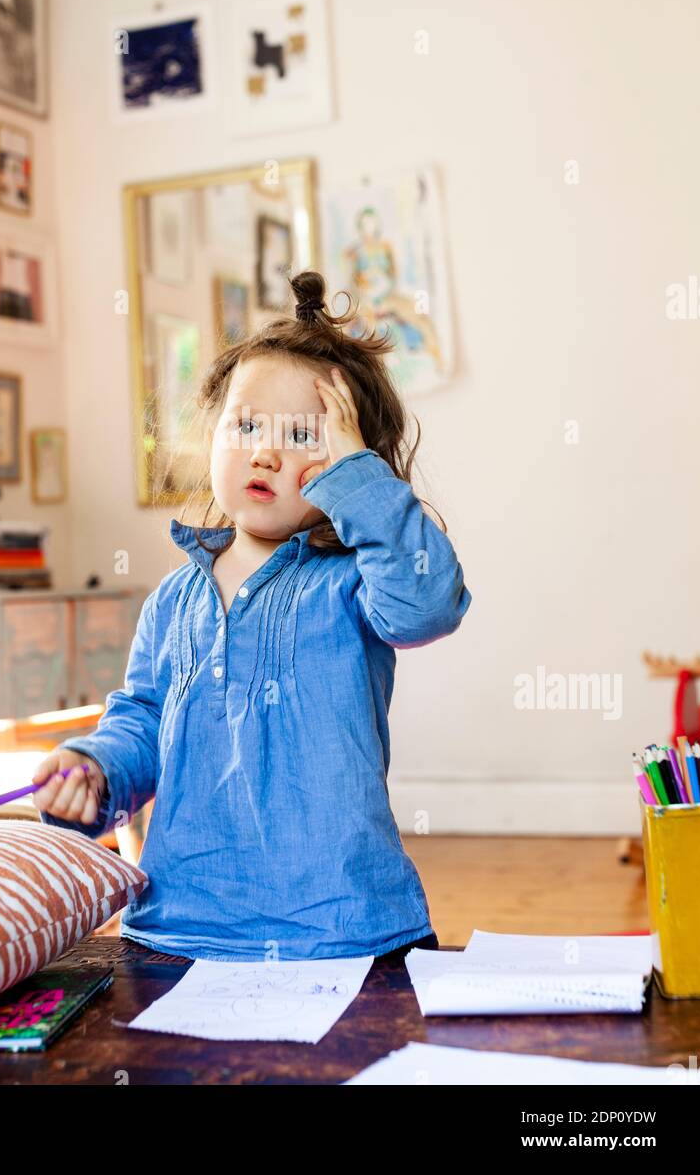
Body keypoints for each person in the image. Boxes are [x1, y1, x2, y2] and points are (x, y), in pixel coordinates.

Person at [33, 270, 472, 961]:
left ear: (351, 460)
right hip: (180, 926)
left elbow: (428, 605)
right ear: (212, 433)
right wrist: (96, 772)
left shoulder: (356, 583)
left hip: (345, 926)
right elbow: (142, 723)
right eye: (244, 425)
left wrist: (358, 478)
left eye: (305, 434)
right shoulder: (171, 601)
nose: (265, 450)